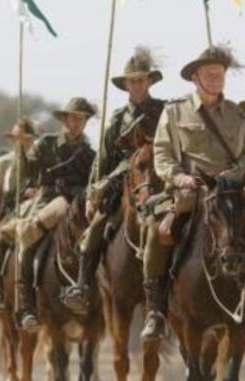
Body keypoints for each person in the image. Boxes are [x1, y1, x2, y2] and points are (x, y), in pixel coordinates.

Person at [140, 46, 245, 341]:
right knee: (156, 230)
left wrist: (234, 176)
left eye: (219, 73)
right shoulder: (174, 111)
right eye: (209, 73)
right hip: (191, 189)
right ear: (195, 78)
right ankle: (156, 309)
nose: (215, 78)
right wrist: (180, 177)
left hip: (231, 189)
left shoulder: (237, 115)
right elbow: (162, 154)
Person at [64, 46, 166, 310]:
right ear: (126, 85)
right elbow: (103, 157)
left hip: (161, 178)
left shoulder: (165, 111)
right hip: (123, 182)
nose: (137, 85)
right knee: (94, 230)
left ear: (149, 81)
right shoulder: (119, 118)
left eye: (141, 79)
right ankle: (82, 286)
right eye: (132, 81)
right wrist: (92, 193)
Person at [12, 98, 96, 332]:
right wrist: (21, 149)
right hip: (50, 200)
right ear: (64, 119)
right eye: (72, 117)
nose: (76, 122)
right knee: (28, 238)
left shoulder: (90, 154)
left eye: (80, 118)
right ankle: (27, 306)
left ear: (85, 122)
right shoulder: (46, 144)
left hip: (80, 204)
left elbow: (93, 181)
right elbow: (28, 172)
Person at [0, 119, 38, 311]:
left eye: (25, 138)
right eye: (17, 138)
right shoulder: (3, 162)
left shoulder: (39, 159)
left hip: (35, 210)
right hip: (10, 212)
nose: (21, 142)